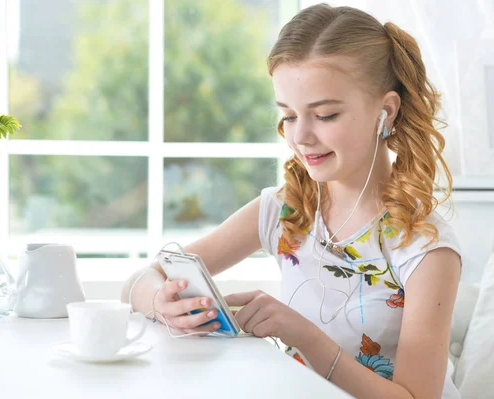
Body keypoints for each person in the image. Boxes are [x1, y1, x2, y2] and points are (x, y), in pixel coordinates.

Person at [121, 3, 462, 398]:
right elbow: (138, 280)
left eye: (326, 115)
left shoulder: (426, 246)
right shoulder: (286, 210)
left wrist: (302, 335)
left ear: (385, 112)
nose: (300, 137)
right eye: (288, 115)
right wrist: (161, 304)